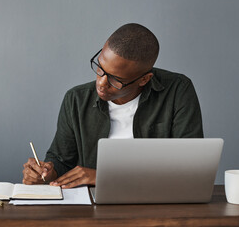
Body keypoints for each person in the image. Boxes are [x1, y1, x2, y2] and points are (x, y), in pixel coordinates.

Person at [22, 23, 203, 189]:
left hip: (157, 203)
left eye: (116, 80)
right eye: (100, 68)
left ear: (144, 79)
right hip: (92, 208)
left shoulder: (177, 91)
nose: (101, 83)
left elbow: (189, 169)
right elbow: (62, 161)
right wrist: (46, 173)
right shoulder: (76, 100)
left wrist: (105, 177)